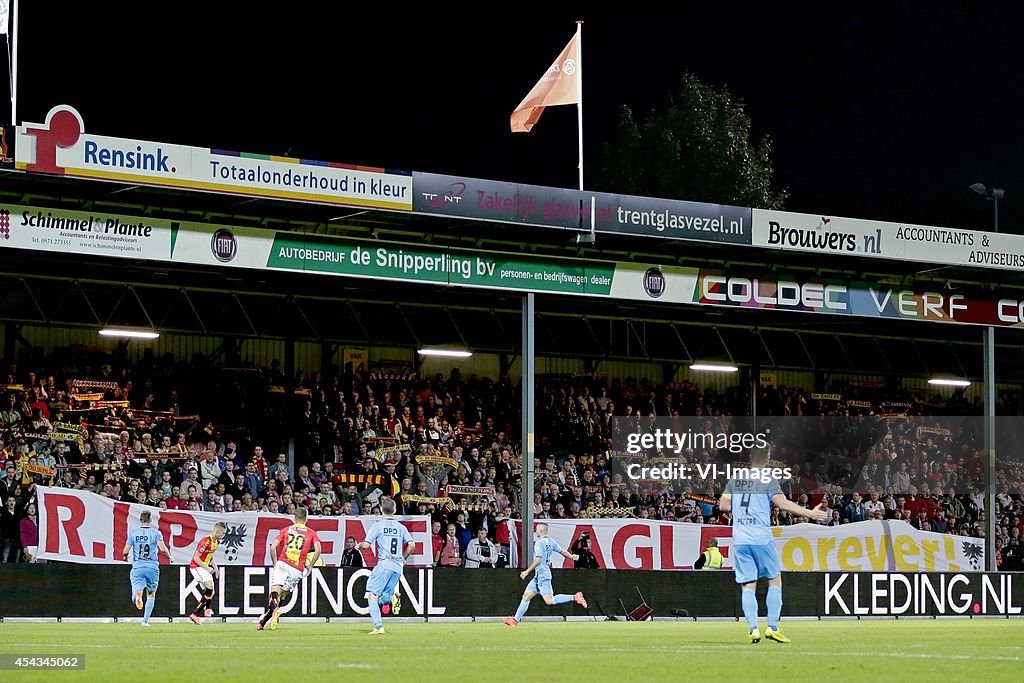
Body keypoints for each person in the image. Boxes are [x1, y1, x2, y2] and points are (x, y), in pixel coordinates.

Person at [718, 446, 828, 644]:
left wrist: (742, 510)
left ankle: (753, 629)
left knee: (747, 585)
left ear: (750, 458)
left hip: (741, 538)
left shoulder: (736, 478)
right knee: (774, 580)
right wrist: (810, 513)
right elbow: (783, 504)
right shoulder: (768, 479)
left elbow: (723, 506)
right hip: (761, 537)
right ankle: (772, 627)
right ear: (767, 459)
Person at [502, 522, 587, 627]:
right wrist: (572, 557)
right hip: (538, 576)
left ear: (541, 530)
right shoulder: (551, 541)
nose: (536, 531)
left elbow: (538, 560)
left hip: (543, 575)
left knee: (549, 601)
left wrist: (526, 571)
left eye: (537, 529)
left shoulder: (539, 543)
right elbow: (562, 551)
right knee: (526, 596)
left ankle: (574, 597)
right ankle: (515, 620)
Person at [257, 508, 322, 631]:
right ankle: (264, 621)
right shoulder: (311, 533)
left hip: (283, 562)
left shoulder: (286, 530)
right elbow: (318, 550)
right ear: (306, 519)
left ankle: (270, 615)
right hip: (297, 569)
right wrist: (311, 565)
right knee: (282, 596)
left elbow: (272, 548)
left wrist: (275, 563)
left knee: (275, 592)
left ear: (294, 518)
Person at [358, 497, 413, 635]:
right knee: (385, 597)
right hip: (397, 567)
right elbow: (412, 545)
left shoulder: (378, 525)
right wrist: (403, 558)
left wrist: (359, 545)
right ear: (394, 510)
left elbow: (366, 545)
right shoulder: (401, 527)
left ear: (381, 510)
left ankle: (378, 627)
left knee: (372, 595)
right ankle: (392, 598)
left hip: (384, 564)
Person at [122, 510, 173, 627]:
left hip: (138, 567)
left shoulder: (133, 534)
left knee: (136, 590)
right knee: (151, 594)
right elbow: (163, 549)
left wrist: (125, 557)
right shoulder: (156, 533)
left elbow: (125, 551)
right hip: (152, 567)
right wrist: (170, 557)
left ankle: (137, 596)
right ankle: (145, 621)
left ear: (140, 520)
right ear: (150, 520)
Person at [188, 521, 226, 625]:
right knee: (209, 587)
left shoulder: (216, 542)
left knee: (211, 592)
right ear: (217, 532)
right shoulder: (205, 541)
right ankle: (199, 613)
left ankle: (202, 611)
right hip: (196, 567)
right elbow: (196, 558)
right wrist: (207, 568)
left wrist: (216, 568)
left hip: (204, 568)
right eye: (223, 534)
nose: (223, 536)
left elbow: (210, 556)